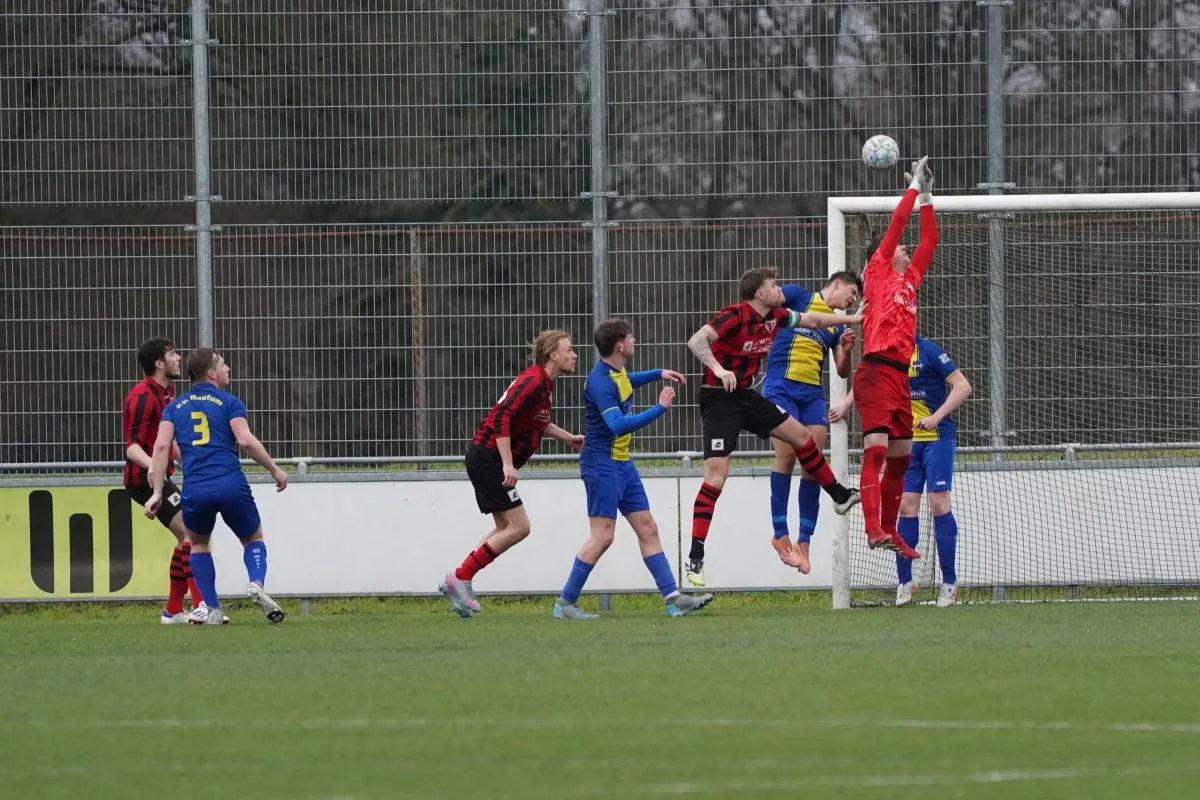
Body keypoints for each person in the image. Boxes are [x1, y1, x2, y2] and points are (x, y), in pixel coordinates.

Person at [683, 266, 862, 588]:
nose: (779, 288)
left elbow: (814, 321)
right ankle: (695, 557)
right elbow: (697, 341)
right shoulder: (735, 315)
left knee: (802, 437)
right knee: (716, 478)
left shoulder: (777, 317)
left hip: (746, 397)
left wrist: (853, 320)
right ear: (759, 293)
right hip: (719, 400)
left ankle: (839, 495)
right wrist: (718, 368)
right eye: (773, 284)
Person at [553, 319, 713, 619]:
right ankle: (565, 603)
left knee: (647, 528)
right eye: (630, 337)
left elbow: (626, 382)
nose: (634, 340)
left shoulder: (616, 371)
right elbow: (617, 425)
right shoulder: (600, 382)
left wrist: (658, 374)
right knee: (602, 536)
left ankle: (673, 599)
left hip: (622, 465)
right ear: (619, 345)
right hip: (601, 464)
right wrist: (659, 408)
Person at [439, 330, 584, 618]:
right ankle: (461, 577)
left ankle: (459, 578)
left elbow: (538, 422)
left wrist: (568, 438)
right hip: (489, 459)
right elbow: (503, 414)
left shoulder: (543, 384)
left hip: (486, 458)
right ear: (553, 354)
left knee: (505, 527)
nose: (574, 355)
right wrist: (507, 463)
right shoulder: (534, 381)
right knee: (520, 527)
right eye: (569, 349)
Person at [144, 348, 289, 625]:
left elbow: (161, 447)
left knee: (198, 544)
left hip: (195, 488)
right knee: (253, 538)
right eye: (223, 364)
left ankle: (212, 608)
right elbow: (245, 440)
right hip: (230, 483)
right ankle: (256, 582)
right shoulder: (229, 402)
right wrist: (275, 469)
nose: (227, 368)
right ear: (211, 373)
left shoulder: (174, 407)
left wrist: (158, 493)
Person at [830, 336, 972, 607]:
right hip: (906, 441)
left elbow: (963, 387)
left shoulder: (927, 350)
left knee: (939, 503)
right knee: (906, 506)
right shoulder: (885, 352)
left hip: (937, 438)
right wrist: (846, 403)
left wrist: (935, 417)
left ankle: (949, 583)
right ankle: (905, 582)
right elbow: (869, 379)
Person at [852, 156, 937, 561]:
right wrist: (912, 188)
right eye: (900, 246)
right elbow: (898, 226)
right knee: (877, 451)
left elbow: (929, 242)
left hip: (900, 378)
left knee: (901, 461)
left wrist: (928, 196)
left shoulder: (910, 281)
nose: (905, 247)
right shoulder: (878, 271)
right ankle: (872, 529)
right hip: (874, 372)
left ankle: (888, 530)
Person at [762, 272, 862, 574]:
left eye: (856, 297)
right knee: (786, 454)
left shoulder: (838, 325)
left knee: (813, 464)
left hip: (812, 396)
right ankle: (780, 534)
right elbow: (769, 304)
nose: (852, 300)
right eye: (852, 292)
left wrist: (846, 351)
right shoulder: (799, 296)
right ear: (836, 284)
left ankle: (804, 542)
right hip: (781, 386)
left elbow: (842, 371)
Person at [121, 338, 209, 625]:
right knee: (192, 534)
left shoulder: (167, 393)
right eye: (172, 354)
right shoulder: (142, 397)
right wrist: (153, 466)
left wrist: (189, 463)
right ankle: (202, 605)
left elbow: (166, 440)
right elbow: (132, 447)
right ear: (159, 363)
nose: (178, 357)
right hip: (143, 480)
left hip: (159, 476)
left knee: (187, 537)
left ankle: (173, 610)